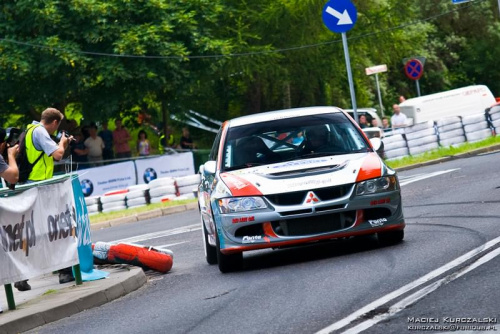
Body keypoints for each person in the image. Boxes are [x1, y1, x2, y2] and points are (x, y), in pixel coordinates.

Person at [16, 108, 75, 291]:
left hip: (31, 187)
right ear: (55, 122)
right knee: (56, 228)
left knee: (37, 232)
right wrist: (62, 142)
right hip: (39, 188)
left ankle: (21, 276)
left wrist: (60, 144)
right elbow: (57, 155)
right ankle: (64, 272)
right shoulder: (41, 132)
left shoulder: (30, 131)